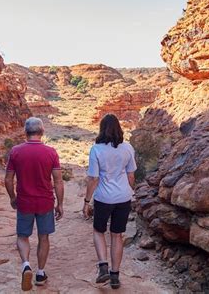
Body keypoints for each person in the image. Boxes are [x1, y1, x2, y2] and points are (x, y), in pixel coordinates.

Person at [5, 117, 64, 291]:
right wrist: (60, 204)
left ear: (25, 132)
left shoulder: (15, 151)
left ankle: (25, 265)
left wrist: (12, 197)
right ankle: (40, 273)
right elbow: (58, 181)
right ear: (42, 132)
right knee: (43, 237)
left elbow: (8, 179)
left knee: (22, 236)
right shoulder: (51, 152)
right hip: (45, 202)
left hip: (24, 201)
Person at [82, 114, 137, 289]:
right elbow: (131, 175)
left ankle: (103, 266)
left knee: (99, 231)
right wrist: (130, 191)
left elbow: (93, 178)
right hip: (123, 197)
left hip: (104, 198)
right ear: (119, 128)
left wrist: (86, 201)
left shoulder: (96, 149)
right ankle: (115, 275)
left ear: (101, 129)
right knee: (117, 235)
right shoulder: (128, 148)